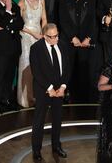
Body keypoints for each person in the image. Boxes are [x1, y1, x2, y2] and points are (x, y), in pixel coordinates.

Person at [30, 23, 71, 161]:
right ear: (44, 36)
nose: (54, 39)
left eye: (56, 36)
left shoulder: (63, 45)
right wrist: (49, 88)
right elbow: (36, 72)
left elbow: (67, 68)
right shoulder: (36, 48)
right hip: (43, 89)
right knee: (39, 120)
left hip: (59, 90)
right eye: (51, 37)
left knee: (57, 119)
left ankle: (56, 146)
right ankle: (36, 150)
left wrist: (63, 86)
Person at [59, 0, 96, 103]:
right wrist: (72, 37)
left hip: (85, 42)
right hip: (69, 41)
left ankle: (83, 98)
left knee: (83, 69)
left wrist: (88, 38)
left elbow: (93, 20)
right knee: (68, 68)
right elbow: (63, 20)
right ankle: (68, 95)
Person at [17, 0, 47, 108]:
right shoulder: (22, 2)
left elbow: (44, 19)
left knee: (40, 66)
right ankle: (25, 98)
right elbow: (18, 23)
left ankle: (37, 96)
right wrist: (32, 33)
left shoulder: (41, 1)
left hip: (39, 35)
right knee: (27, 65)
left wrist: (44, 34)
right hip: (26, 36)